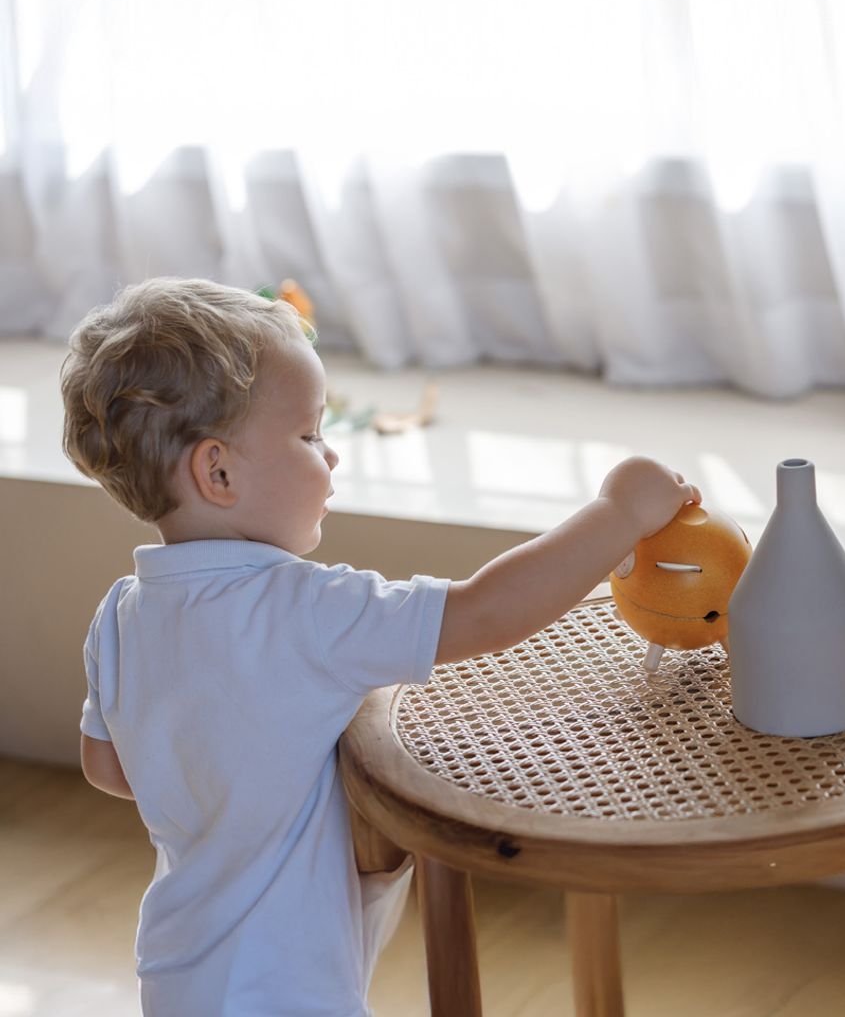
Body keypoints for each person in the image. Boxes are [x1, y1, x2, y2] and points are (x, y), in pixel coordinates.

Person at [60, 277, 699, 1017]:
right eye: (309, 436)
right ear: (219, 471)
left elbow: (110, 766)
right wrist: (619, 513)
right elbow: (485, 612)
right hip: (289, 991)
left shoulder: (119, 615)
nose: (331, 457)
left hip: (176, 970)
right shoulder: (308, 611)